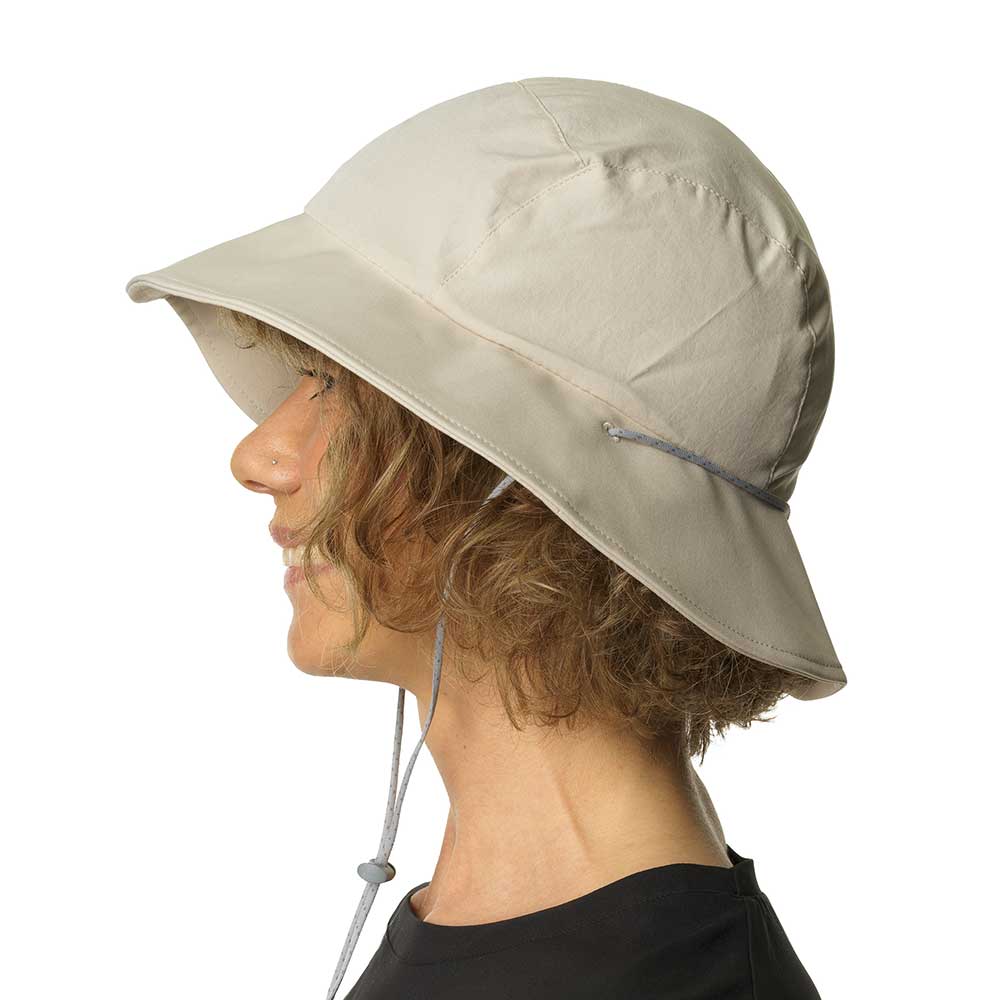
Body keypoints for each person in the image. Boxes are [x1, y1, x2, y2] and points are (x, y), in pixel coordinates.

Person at [126, 77, 846, 999]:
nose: (257, 454)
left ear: (526, 485)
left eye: (338, 384)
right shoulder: (530, 921)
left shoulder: (650, 983)